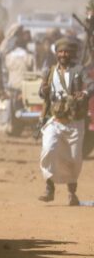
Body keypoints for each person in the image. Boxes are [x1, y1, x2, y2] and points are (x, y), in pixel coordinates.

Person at [37, 38, 93, 205]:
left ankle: (72, 193)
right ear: (56, 53)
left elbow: (91, 85)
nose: (63, 54)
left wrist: (84, 93)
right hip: (55, 120)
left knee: (74, 159)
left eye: (66, 52)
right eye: (60, 51)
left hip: (75, 121)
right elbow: (42, 93)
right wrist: (43, 90)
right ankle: (49, 187)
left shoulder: (79, 70)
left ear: (72, 54)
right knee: (48, 149)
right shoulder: (49, 71)